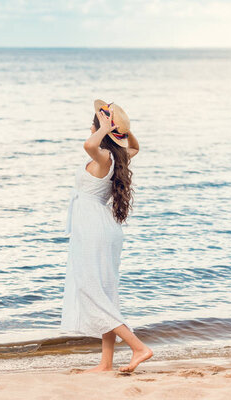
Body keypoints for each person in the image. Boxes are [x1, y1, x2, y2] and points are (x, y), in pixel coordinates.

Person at [60, 99, 152, 373]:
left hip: (93, 230)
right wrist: (121, 130)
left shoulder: (102, 156)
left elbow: (89, 144)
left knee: (91, 291)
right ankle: (106, 363)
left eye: (93, 126)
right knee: (106, 293)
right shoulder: (119, 156)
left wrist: (104, 125)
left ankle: (139, 348)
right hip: (103, 228)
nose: (91, 129)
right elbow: (135, 146)